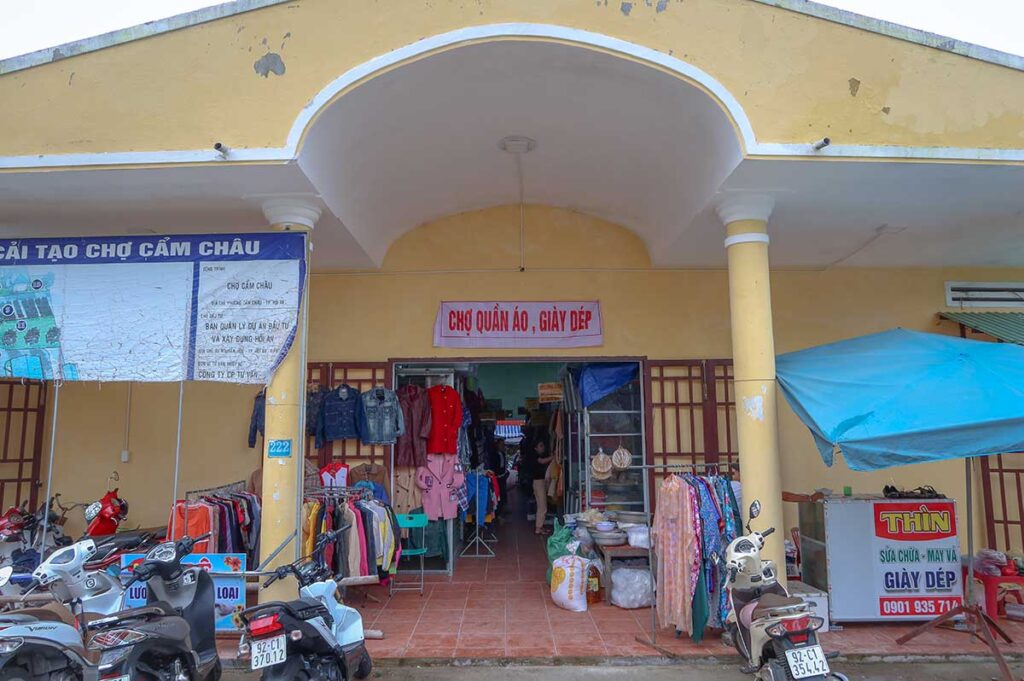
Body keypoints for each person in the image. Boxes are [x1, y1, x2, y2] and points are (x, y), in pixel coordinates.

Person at [522, 431, 553, 535]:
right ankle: (538, 528)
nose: (543, 447)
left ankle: (540, 526)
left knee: (542, 505)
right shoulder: (534, 456)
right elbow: (542, 461)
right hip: (538, 482)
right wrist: (554, 457)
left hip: (540, 482)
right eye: (540, 446)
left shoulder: (535, 455)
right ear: (535, 448)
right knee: (542, 506)